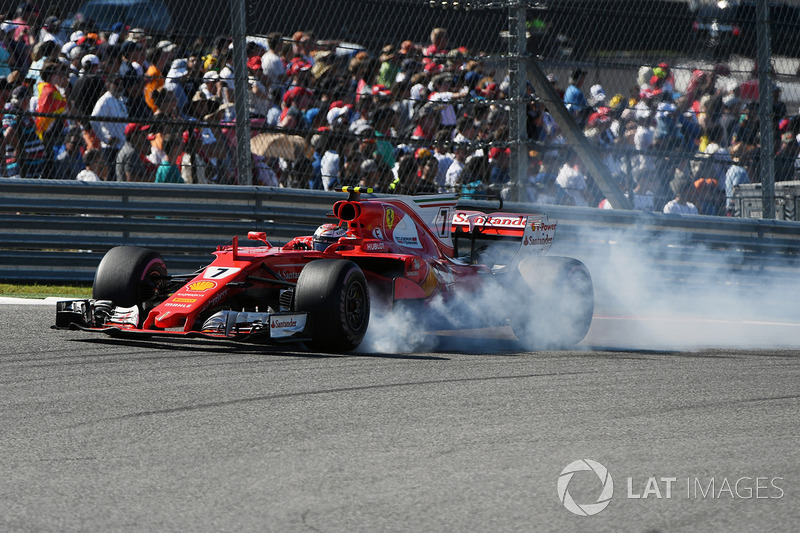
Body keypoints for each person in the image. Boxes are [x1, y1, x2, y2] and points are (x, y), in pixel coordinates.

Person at [3, 85, 46, 178]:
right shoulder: (16, 113)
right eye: (28, 98)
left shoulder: (20, 113)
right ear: (25, 99)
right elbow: (8, 134)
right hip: (23, 168)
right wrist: (20, 149)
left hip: (31, 166)